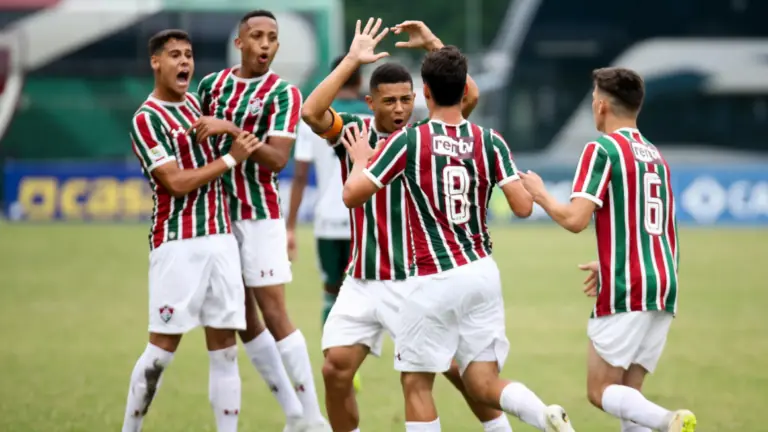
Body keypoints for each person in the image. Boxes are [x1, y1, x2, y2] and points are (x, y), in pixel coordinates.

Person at [340, 44, 577, 432]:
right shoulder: (491, 141)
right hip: (483, 274)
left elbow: (352, 196)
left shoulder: (409, 141)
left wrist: (362, 160)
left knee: (417, 382)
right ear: (464, 92)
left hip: (433, 276)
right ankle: (543, 414)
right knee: (482, 383)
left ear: (425, 93)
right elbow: (521, 207)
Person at [302, 18, 513, 432]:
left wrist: (434, 43)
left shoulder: (425, 137)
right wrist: (351, 59)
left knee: (456, 370)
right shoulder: (354, 133)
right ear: (370, 103)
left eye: (405, 99)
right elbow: (311, 112)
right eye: (389, 101)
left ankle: (499, 428)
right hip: (363, 277)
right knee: (335, 370)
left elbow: (467, 93)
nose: (399, 108)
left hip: (415, 279)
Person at [518, 67, 696, 432]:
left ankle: (669, 421)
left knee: (600, 391)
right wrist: (609, 261)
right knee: (630, 397)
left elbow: (576, 219)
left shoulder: (602, 149)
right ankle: (661, 421)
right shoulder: (654, 155)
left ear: (600, 106)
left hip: (628, 284)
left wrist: (540, 195)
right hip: (663, 281)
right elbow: (656, 225)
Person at [194, 9, 328, 432]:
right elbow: (195, 141)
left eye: (272, 37)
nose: (266, 44)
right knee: (239, 321)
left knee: (274, 313)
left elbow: (276, 159)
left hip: (258, 217)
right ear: (240, 42)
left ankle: (314, 417)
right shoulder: (211, 86)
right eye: (257, 36)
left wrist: (231, 129)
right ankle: (293, 413)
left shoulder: (283, 93)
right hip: (215, 218)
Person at [122, 29, 261, 432]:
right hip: (177, 246)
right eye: (175, 56)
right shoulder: (146, 119)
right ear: (156, 62)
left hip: (221, 241)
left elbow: (243, 142)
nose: (184, 63)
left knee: (225, 351)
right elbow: (175, 182)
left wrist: (229, 128)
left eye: (188, 55)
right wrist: (231, 160)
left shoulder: (197, 105)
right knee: (161, 351)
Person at [287, 55, 370, 326]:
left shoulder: (315, 118)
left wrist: (290, 228)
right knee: (364, 293)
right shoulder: (376, 116)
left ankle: (334, 362)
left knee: (331, 294)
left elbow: (300, 177)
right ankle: (354, 359)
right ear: (360, 81)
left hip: (327, 221)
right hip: (365, 220)